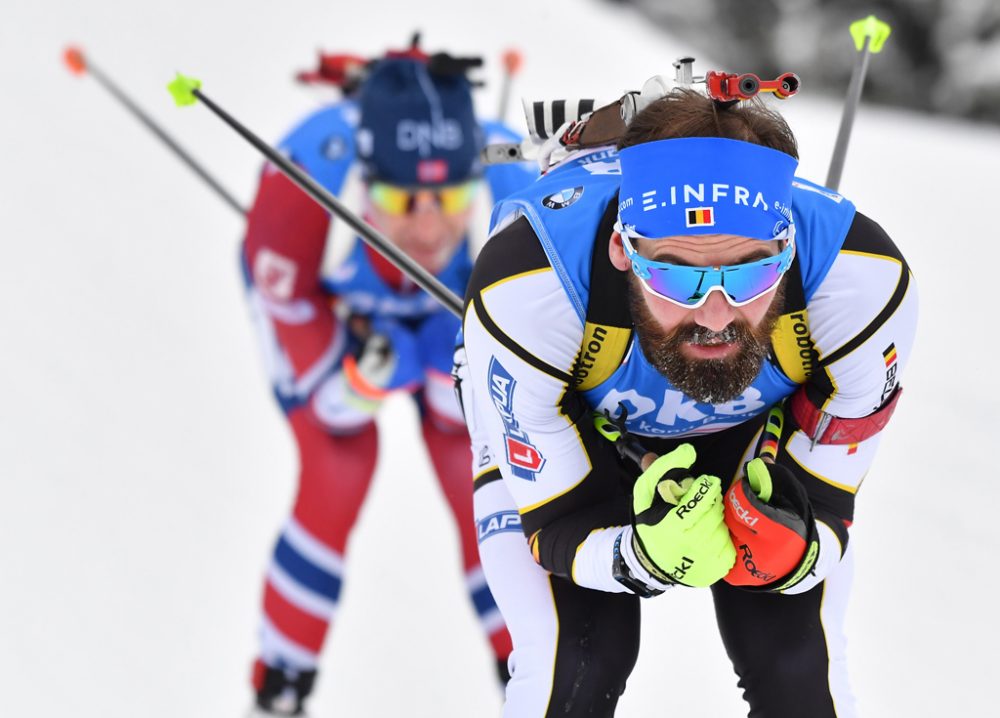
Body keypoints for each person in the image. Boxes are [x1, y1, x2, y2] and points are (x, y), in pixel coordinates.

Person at [456, 85, 917, 717]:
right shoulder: (530, 287)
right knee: (575, 662)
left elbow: (831, 507)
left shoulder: (861, 281)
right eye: (676, 274)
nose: (715, 313)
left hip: (758, 430)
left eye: (751, 272)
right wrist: (636, 556)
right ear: (624, 250)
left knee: (797, 665)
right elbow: (557, 524)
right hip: (579, 422)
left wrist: (800, 551)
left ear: (786, 251)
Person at [240, 46, 535, 715]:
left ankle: (531, 674)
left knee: (479, 470)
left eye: (451, 196)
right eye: (403, 199)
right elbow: (326, 408)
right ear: (367, 183)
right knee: (337, 465)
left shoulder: (519, 190)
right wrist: (363, 378)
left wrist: (447, 375)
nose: (429, 224)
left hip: (456, 314)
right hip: (331, 305)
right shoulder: (301, 192)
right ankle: (280, 684)